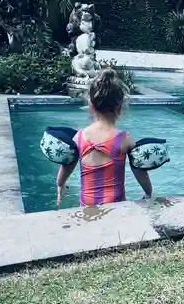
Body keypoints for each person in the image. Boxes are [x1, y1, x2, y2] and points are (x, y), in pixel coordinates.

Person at [56, 69, 152, 207]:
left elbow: (66, 166)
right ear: (120, 109)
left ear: (91, 106)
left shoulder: (80, 137)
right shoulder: (125, 139)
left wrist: (60, 186)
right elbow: (140, 172)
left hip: (86, 205)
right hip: (116, 205)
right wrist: (148, 192)